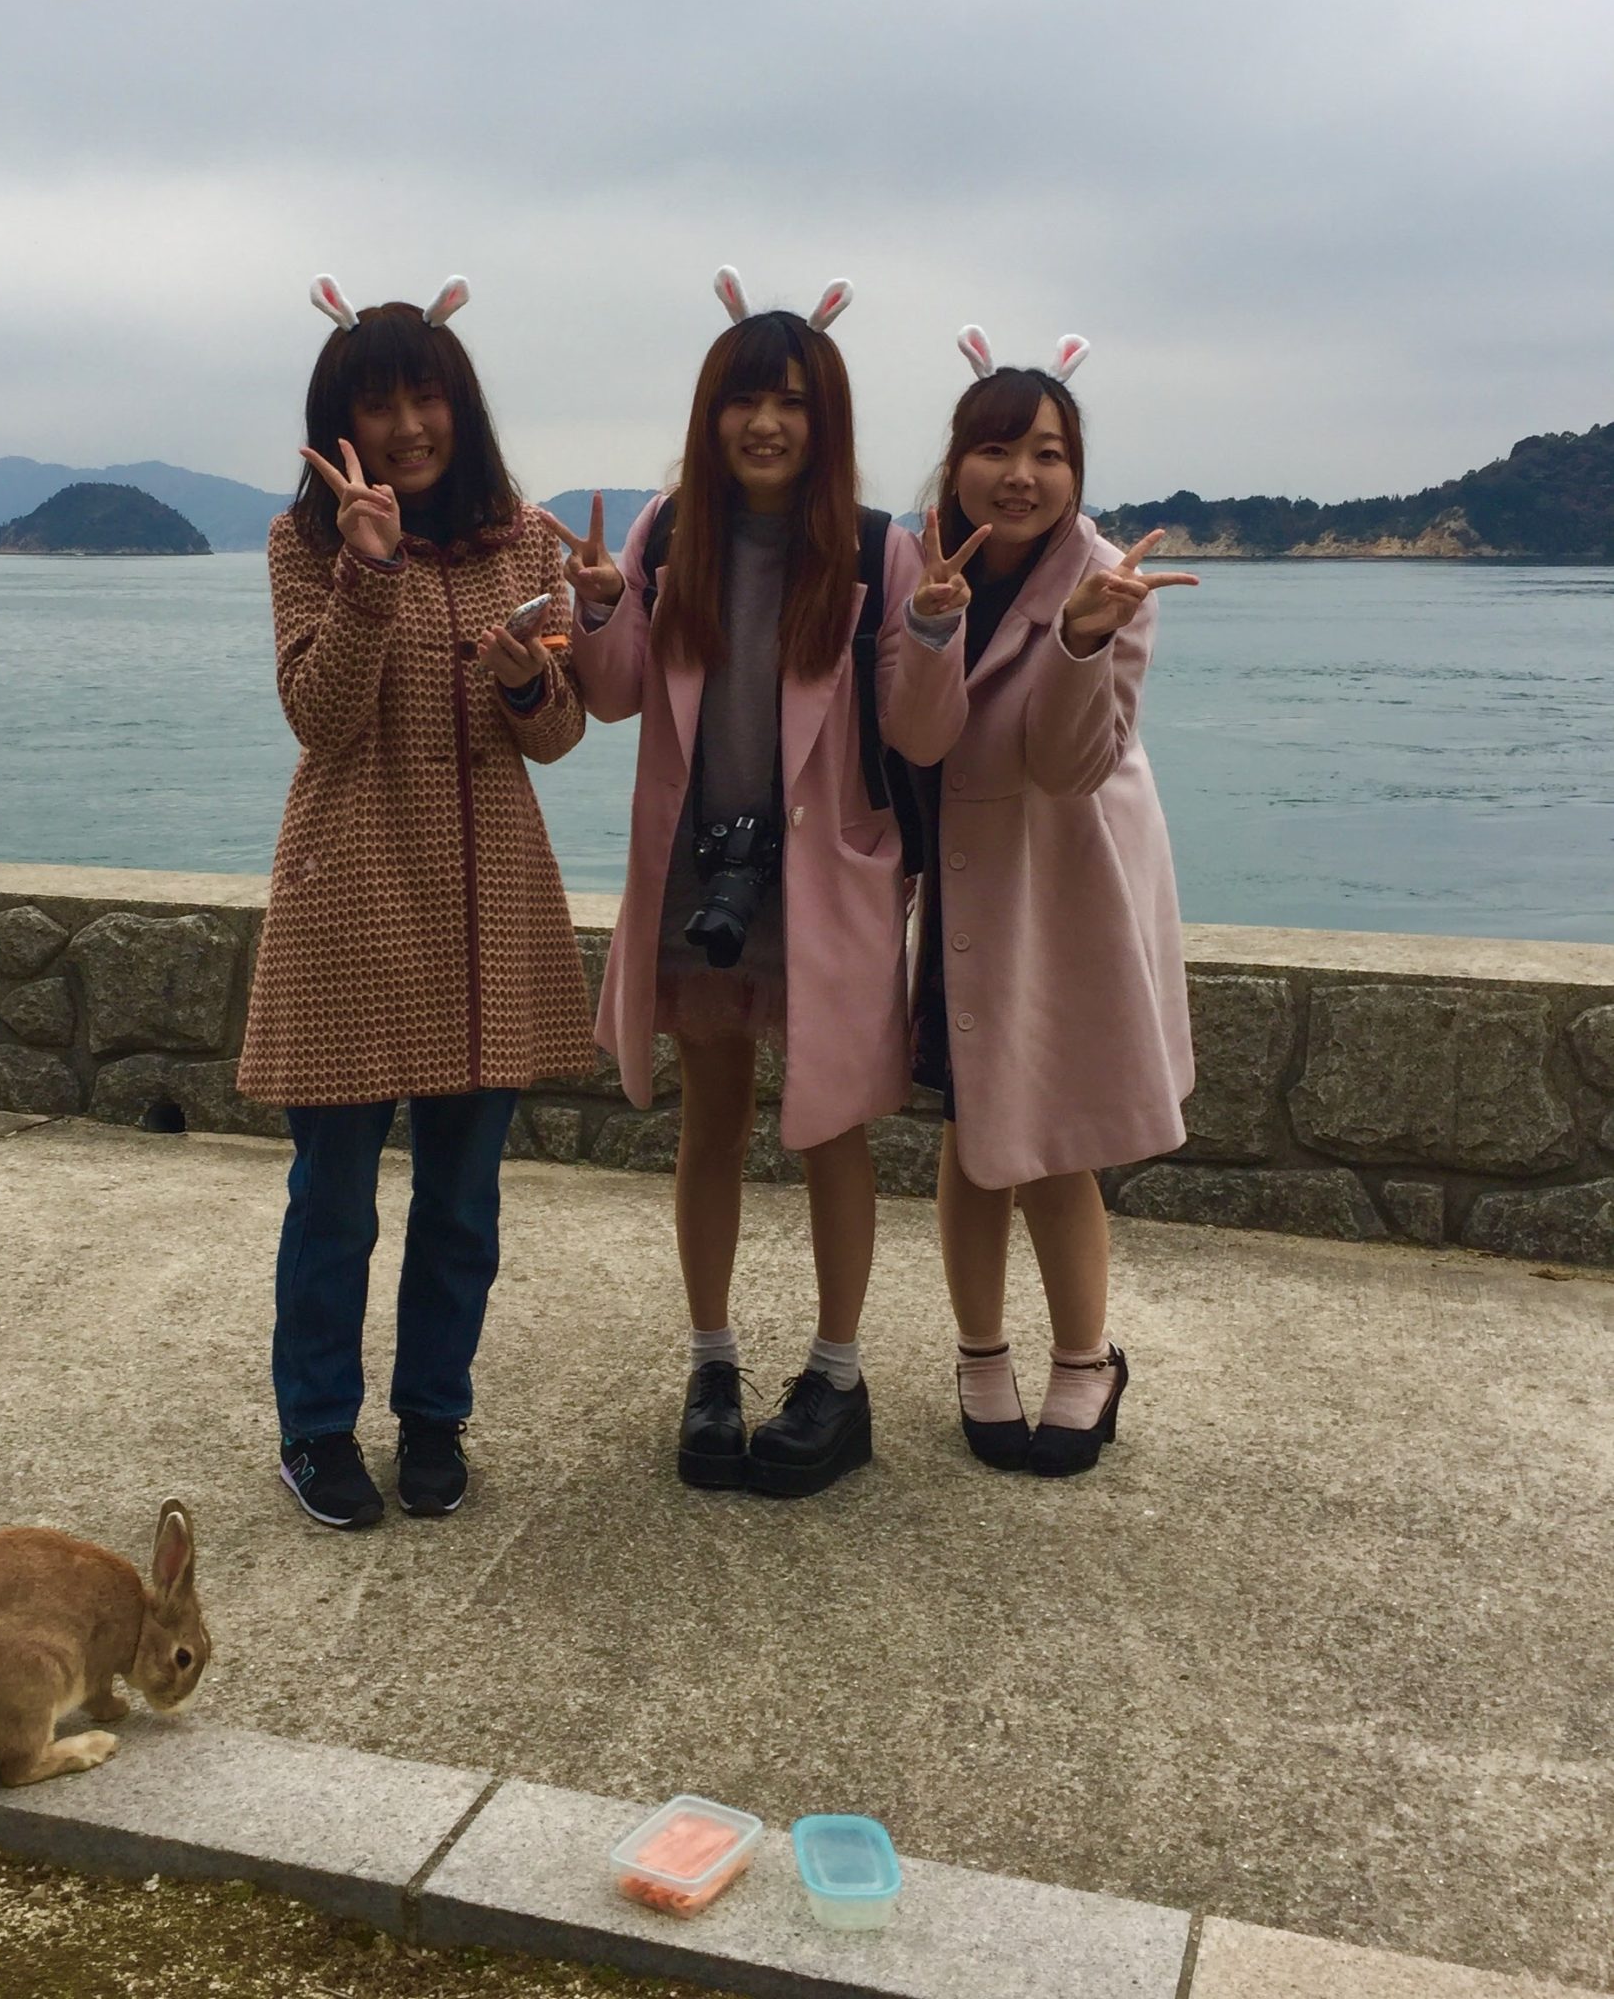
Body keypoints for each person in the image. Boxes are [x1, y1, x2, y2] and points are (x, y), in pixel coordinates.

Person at [238, 275, 595, 1530]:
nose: (406, 425)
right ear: (339, 420)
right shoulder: (301, 547)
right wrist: (370, 573)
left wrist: (518, 686)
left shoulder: (531, 541)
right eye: (376, 402)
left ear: (462, 405)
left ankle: (436, 1417)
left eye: (425, 395)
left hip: (488, 907)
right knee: (332, 1202)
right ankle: (317, 1429)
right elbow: (317, 716)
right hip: (352, 901)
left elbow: (558, 734)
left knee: (462, 1203)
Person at [555, 271, 918, 1498]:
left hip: (824, 880)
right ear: (710, 419)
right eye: (743, 404)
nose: (767, 425)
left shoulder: (880, 548)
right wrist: (601, 607)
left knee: (830, 1127)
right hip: (703, 880)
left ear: (828, 424)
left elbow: (924, 732)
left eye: (793, 404)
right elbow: (611, 696)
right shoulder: (668, 536)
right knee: (711, 1117)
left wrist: (930, 636)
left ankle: (837, 1372)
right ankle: (711, 1362)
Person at [891, 327, 1197, 1477]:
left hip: (1061, 891)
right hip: (964, 894)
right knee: (975, 1137)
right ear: (957, 460)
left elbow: (1071, 768)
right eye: (998, 448)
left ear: (1077, 473)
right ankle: (981, 1349)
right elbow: (916, 736)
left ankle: (1085, 1355)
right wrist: (926, 626)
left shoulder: (1109, 582)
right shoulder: (921, 569)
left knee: (1055, 1137)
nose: (1022, 473)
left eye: (1051, 453)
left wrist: (1077, 643)